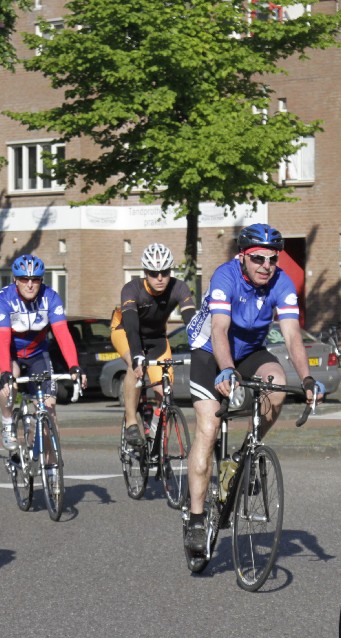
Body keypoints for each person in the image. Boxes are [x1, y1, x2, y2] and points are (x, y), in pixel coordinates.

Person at [182, 224, 325, 556]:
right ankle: (197, 519)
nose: (266, 266)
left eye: (273, 259)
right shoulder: (225, 277)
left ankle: (244, 453)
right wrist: (227, 369)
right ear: (242, 257)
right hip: (209, 352)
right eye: (258, 258)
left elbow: (292, 335)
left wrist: (306, 379)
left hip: (249, 352)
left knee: (276, 384)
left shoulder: (281, 283)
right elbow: (220, 329)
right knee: (208, 428)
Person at [0, 254, 85, 451]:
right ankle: (7, 423)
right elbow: (3, 341)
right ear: (15, 279)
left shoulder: (51, 298)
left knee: (49, 407)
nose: (30, 284)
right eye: (24, 279)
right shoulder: (3, 300)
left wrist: (74, 366)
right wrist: (5, 372)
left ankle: (51, 464)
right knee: (11, 379)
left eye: (35, 279)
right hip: (7, 350)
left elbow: (63, 335)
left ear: (41, 280)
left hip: (37, 352)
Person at [109, 242, 197, 446]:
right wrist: (137, 354)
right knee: (134, 366)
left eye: (164, 272)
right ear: (145, 272)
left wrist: (201, 349)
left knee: (165, 392)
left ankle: (160, 446)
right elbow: (132, 326)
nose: (159, 278)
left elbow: (191, 322)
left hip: (157, 338)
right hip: (124, 331)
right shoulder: (132, 289)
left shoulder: (179, 287)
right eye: (153, 273)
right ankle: (131, 423)